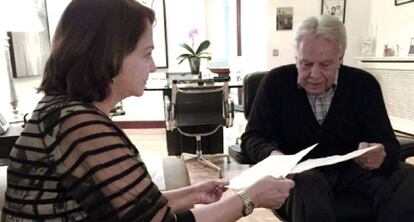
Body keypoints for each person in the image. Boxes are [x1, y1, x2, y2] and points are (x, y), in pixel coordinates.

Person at [2, 0, 295, 221]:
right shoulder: (78, 125)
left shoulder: (64, 112)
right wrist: (249, 199)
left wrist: (191, 194)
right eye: (147, 53)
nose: (153, 66)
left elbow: (129, 206)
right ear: (110, 56)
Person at [241, 15, 414, 222]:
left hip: (353, 172)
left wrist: (380, 154)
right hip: (300, 175)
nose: (314, 74)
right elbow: (251, 138)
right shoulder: (275, 83)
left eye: (325, 65)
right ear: (296, 57)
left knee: (408, 178)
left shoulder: (364, 85)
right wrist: (274, 156)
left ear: (340, 58)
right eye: (306, 64)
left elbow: (390, 145)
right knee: (308, 185)